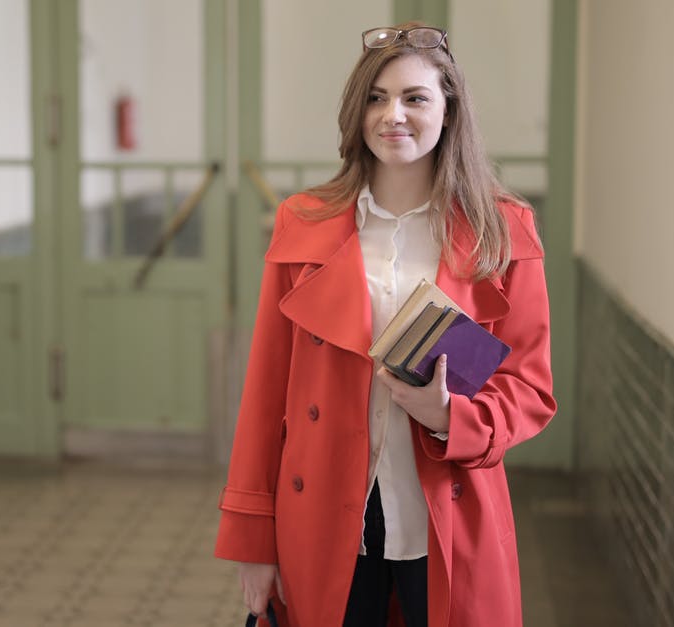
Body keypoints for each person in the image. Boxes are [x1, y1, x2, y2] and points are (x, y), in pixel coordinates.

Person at [215, 22, 556, 627]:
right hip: (322, 512)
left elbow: (530, 388)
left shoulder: (503, 229)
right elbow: (266, 395)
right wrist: (252, 542)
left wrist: (452, 417)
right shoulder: (304, 221)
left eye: (415, 98)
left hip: (450, 512)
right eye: (376, 97)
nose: (392, 115)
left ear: (449, 110)